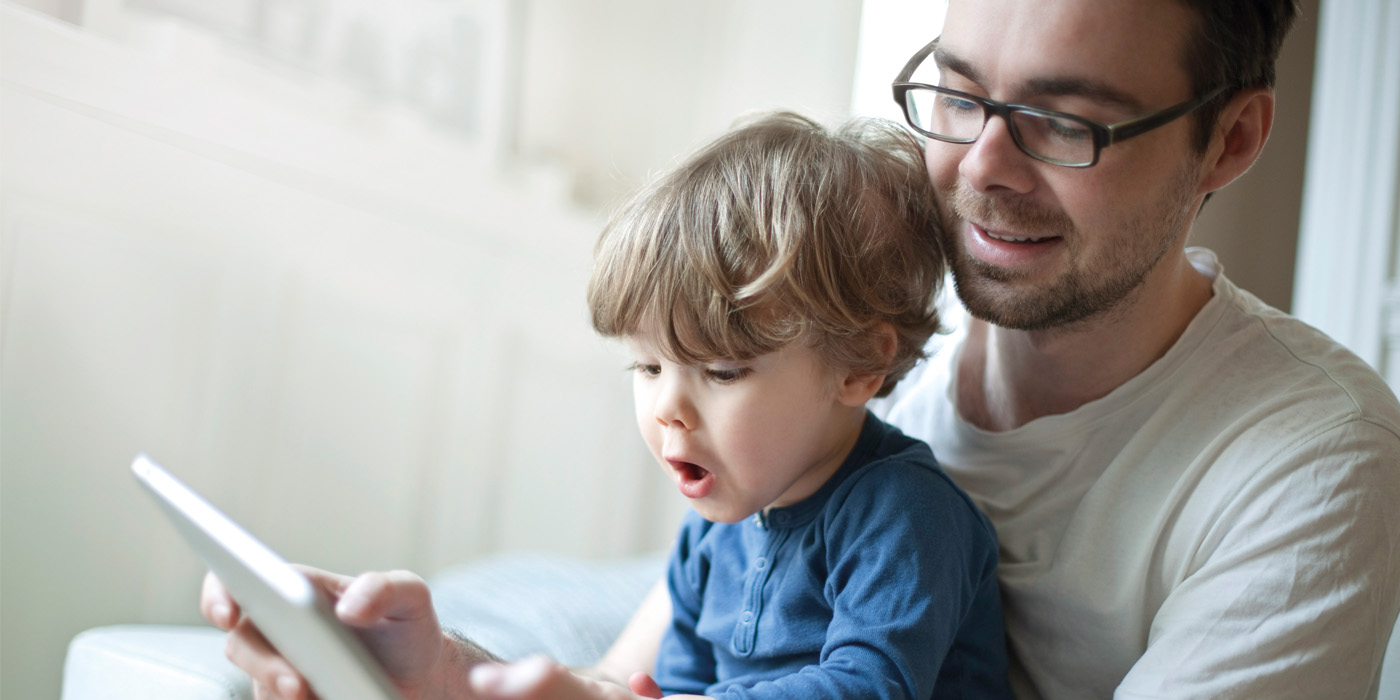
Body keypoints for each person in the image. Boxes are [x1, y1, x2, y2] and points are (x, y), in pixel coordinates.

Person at [204, 0, 1400, 698]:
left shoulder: (1306, 464)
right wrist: (436, 666)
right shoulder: (844, 333)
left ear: (1231, 139)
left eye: (1061, 121)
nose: (979, 168)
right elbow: (648, 666)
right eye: (958, 93)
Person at [586, 111, 1010, 699]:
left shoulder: (905, 515)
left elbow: (867, 687)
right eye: (649, 367)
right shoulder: (710, 537)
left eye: (722, 371)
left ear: (860, 364)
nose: (667, 409)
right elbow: (681, 680)